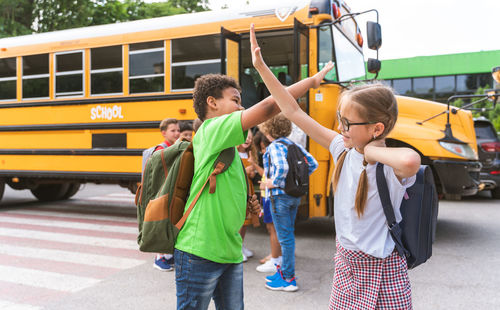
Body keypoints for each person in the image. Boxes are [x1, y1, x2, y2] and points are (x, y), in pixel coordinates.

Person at [250, 23, 421, 309]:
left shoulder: (387, 165)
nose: (340, 128)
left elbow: (410, 161)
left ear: (377, 128)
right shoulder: (343, 147)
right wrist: (261, 67)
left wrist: (371, 152)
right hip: (347, 263)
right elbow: (291, 109)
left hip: (384, 269)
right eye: (339, 119)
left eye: (347, 123)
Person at [174, 65, 333, 309]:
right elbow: (270, 106)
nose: (241, 107)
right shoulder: (210, 129)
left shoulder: (231, 152)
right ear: (212, 103)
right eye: (235, 100)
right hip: (200, 252)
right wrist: (310, 82)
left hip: (230, 252)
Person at [259, 114, 318, 292]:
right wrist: (296, 181)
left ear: (268, 131)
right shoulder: (293, 145)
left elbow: (282, 167)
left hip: (279, 196)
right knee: (288, 234)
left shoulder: (274, 147)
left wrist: (273, 182)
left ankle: (288, 279)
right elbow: (313, 164)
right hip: (294, 196)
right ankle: (282, 271)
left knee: (285, 238)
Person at [150, 118, 180, 271]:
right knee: (161, 224)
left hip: (170, 191)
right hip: (161, 192)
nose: (177, 133)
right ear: (163, 133)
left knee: (170, 223)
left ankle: (167, 254)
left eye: (177, 130)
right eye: (172, 130)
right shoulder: (161, 149)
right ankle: (159, 257)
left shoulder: (173, 147)